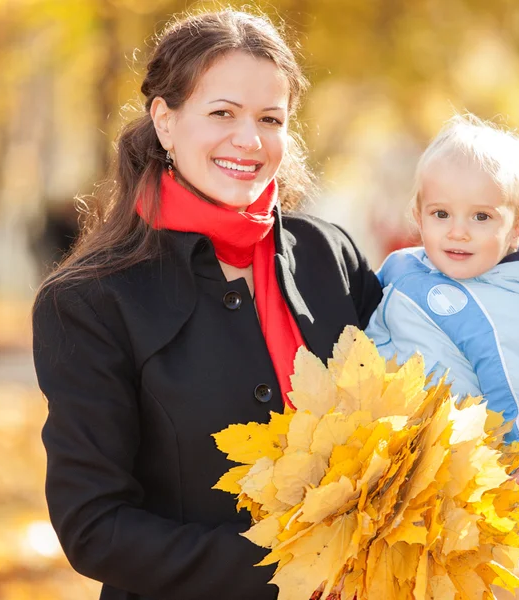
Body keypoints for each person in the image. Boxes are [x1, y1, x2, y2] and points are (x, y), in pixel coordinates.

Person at [32, 10, 382, 600]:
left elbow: (421, 401)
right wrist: (290, 565)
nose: (249, 140)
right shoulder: (88, 301)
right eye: (222, 113)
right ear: (164, 121)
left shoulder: (329, 254)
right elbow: (93, 527)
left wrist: (505, 465)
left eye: (270, 119)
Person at [366, 114, 519, 515]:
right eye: (441, 214)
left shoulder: (514, 309)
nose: (458, 232)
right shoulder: (400, 268)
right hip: (375, 465)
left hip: (449, 490)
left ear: (518, 229)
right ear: (418, 216)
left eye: (481, 217)